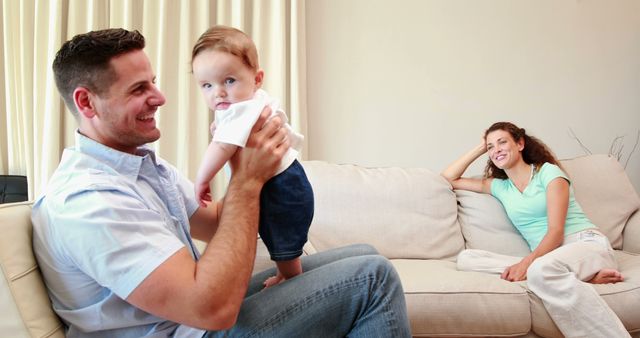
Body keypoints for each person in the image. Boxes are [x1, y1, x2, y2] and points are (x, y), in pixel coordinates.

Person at [31, 28, 412, 338]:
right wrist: (246, 179)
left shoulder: (141, 167)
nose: (160, 98)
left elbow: (214, 224)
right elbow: (210, 309)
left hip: (192, 321)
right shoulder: (88, 199)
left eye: (154, 83)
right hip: (189, 326)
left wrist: (262, 168)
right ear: (86, 103)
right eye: (138, 90)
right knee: (373, 280)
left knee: (365, 254)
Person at [441, 121, 629, 338]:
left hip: (585, 244)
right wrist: (481, 146)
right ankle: (580, 278)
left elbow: (556, 232)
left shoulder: (548, 173)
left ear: (520, 144)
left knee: (540, 270)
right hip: (551, 258)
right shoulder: (501, 187)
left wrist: (526, 263)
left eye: (502, 142)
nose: (496, 149)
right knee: (467, 259)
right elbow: (448, 178)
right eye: (491, 146)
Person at [191, 25, 313, 288]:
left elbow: (221, 148)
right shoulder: (249, 102)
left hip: (282, 188)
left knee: (282, 237)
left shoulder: (244, 108)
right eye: (207, 85)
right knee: (274, 235)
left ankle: (291, 278)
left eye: (229, 81)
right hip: (285, 183)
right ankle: (287, 273)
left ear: (257, 79)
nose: (218, 92)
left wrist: (202, 179)